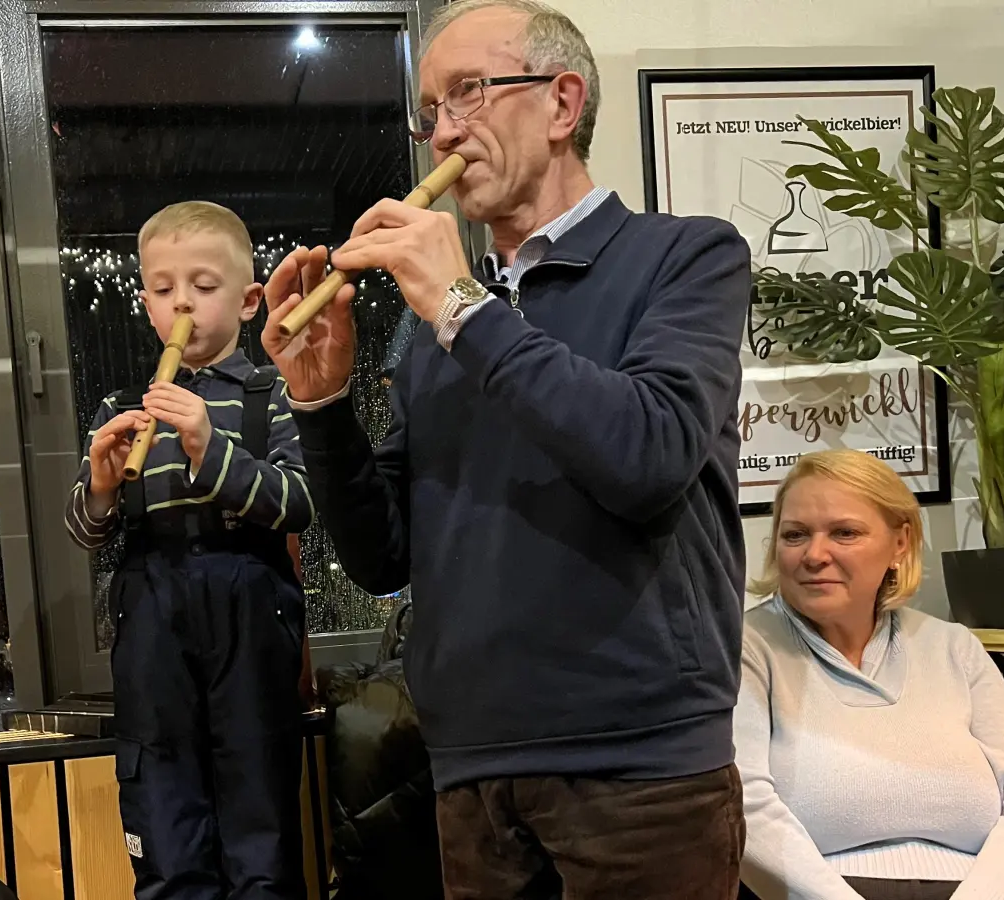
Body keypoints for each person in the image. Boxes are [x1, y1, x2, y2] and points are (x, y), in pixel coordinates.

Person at [260, 1, 752, 897]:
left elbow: (645, 457)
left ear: (563, 104)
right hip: (471, 772)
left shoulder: (687, 259)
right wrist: (320, 399)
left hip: (639, 767)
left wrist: (461, 308)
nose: (443, 129)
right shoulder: (441, 325)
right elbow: (383, 557)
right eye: (431, 108)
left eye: (470, 93)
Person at [65, 200, 314, 900]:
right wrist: (104, 487)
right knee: (162, 806)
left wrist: (210, 448)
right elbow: (86, 534)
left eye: (203, 288)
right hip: (152, 599)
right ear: (144, 299)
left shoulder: (272, 396)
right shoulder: (125, 402)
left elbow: (300, 503)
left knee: (258, 805)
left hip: (248, 594)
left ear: (249, 299)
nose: (183, 304)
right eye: (164, 288)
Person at [736, 449, 1004, 900]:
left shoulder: (954, 647)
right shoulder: (747, 647)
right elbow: (742, 804)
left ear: (899, 543)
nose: (814, 554)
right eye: (794, 535)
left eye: (844, 533)